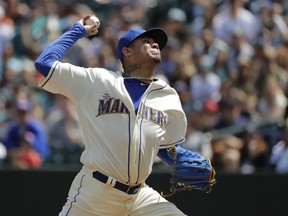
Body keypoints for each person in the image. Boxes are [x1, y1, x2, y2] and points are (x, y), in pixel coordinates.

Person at [34, 14, 206, 216]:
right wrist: (78, 31)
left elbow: (161, 146)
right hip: (96, 193)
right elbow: (44, 63)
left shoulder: (167, 96)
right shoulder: (97, 81)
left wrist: (178, 158)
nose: (155, 45)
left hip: (140, 197)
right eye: (147, 42)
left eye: (157, 43)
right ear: (127, 51)